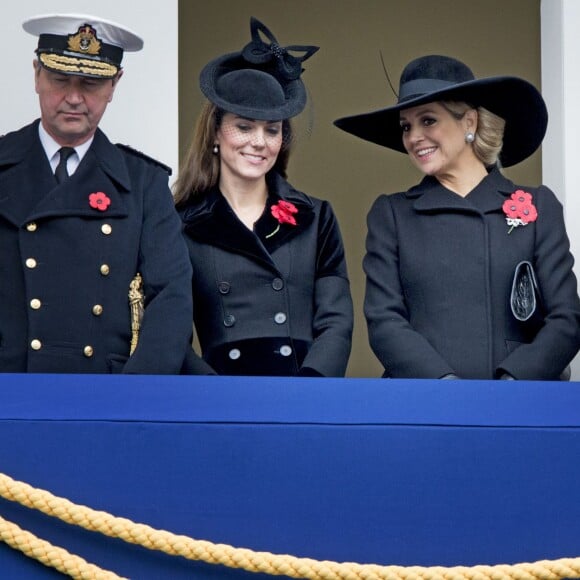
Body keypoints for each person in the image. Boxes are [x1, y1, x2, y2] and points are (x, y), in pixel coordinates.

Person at [334, 54, 580, 380]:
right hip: (425, 405)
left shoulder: (538, 206)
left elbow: (567, 319)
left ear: (469, 122)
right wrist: (445, 388)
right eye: (406, 126)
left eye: (428, 120)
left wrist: (514, 383)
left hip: (519, 407)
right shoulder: (392, 214)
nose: (413, 137)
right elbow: (384, 320)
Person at [0, 14, 194, 373]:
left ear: (114, 85)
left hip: (104, 395)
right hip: (10, 390)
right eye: (60, 79)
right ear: (36, 75)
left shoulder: (143, 183)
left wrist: (133, 399)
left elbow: (171, 296)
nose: (74, 98)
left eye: (91, 83)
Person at [174, 17, 353, 376]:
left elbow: (336, 321)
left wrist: (310, 387)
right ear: (215, 133)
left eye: (271, 130)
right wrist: (211, 393)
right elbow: (170, 331)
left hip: (301, 395)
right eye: (244, 127)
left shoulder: (315, 217)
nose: (259, 142)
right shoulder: (180, 222)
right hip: (220, 399)